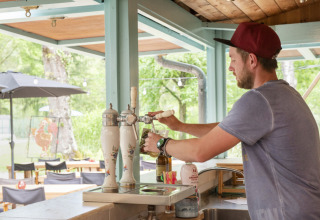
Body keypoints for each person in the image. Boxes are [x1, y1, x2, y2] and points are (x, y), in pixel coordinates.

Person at [144, 22, 320, 220]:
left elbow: (200, 152)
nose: (230, 67)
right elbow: (226, 129)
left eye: (233, 60)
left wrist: (160, 144)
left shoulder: (258, 100)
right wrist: (179, 126)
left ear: (252, 60)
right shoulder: (283, 94)